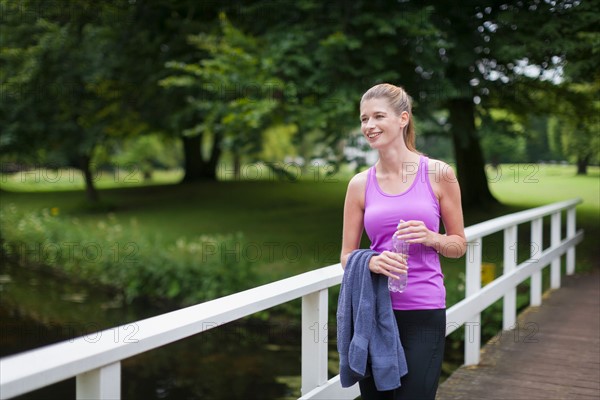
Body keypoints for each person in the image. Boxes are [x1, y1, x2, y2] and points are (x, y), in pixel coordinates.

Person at [340, 83, 467, 400]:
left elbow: (458, 245)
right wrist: (368, 261)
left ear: (403, 119)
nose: (369, 126)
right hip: (374, 313)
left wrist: (432, 237)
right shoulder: (359, 184)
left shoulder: (438, 174)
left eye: (378, 116)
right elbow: (346, 255)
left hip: (424, 311)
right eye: (364, 119)